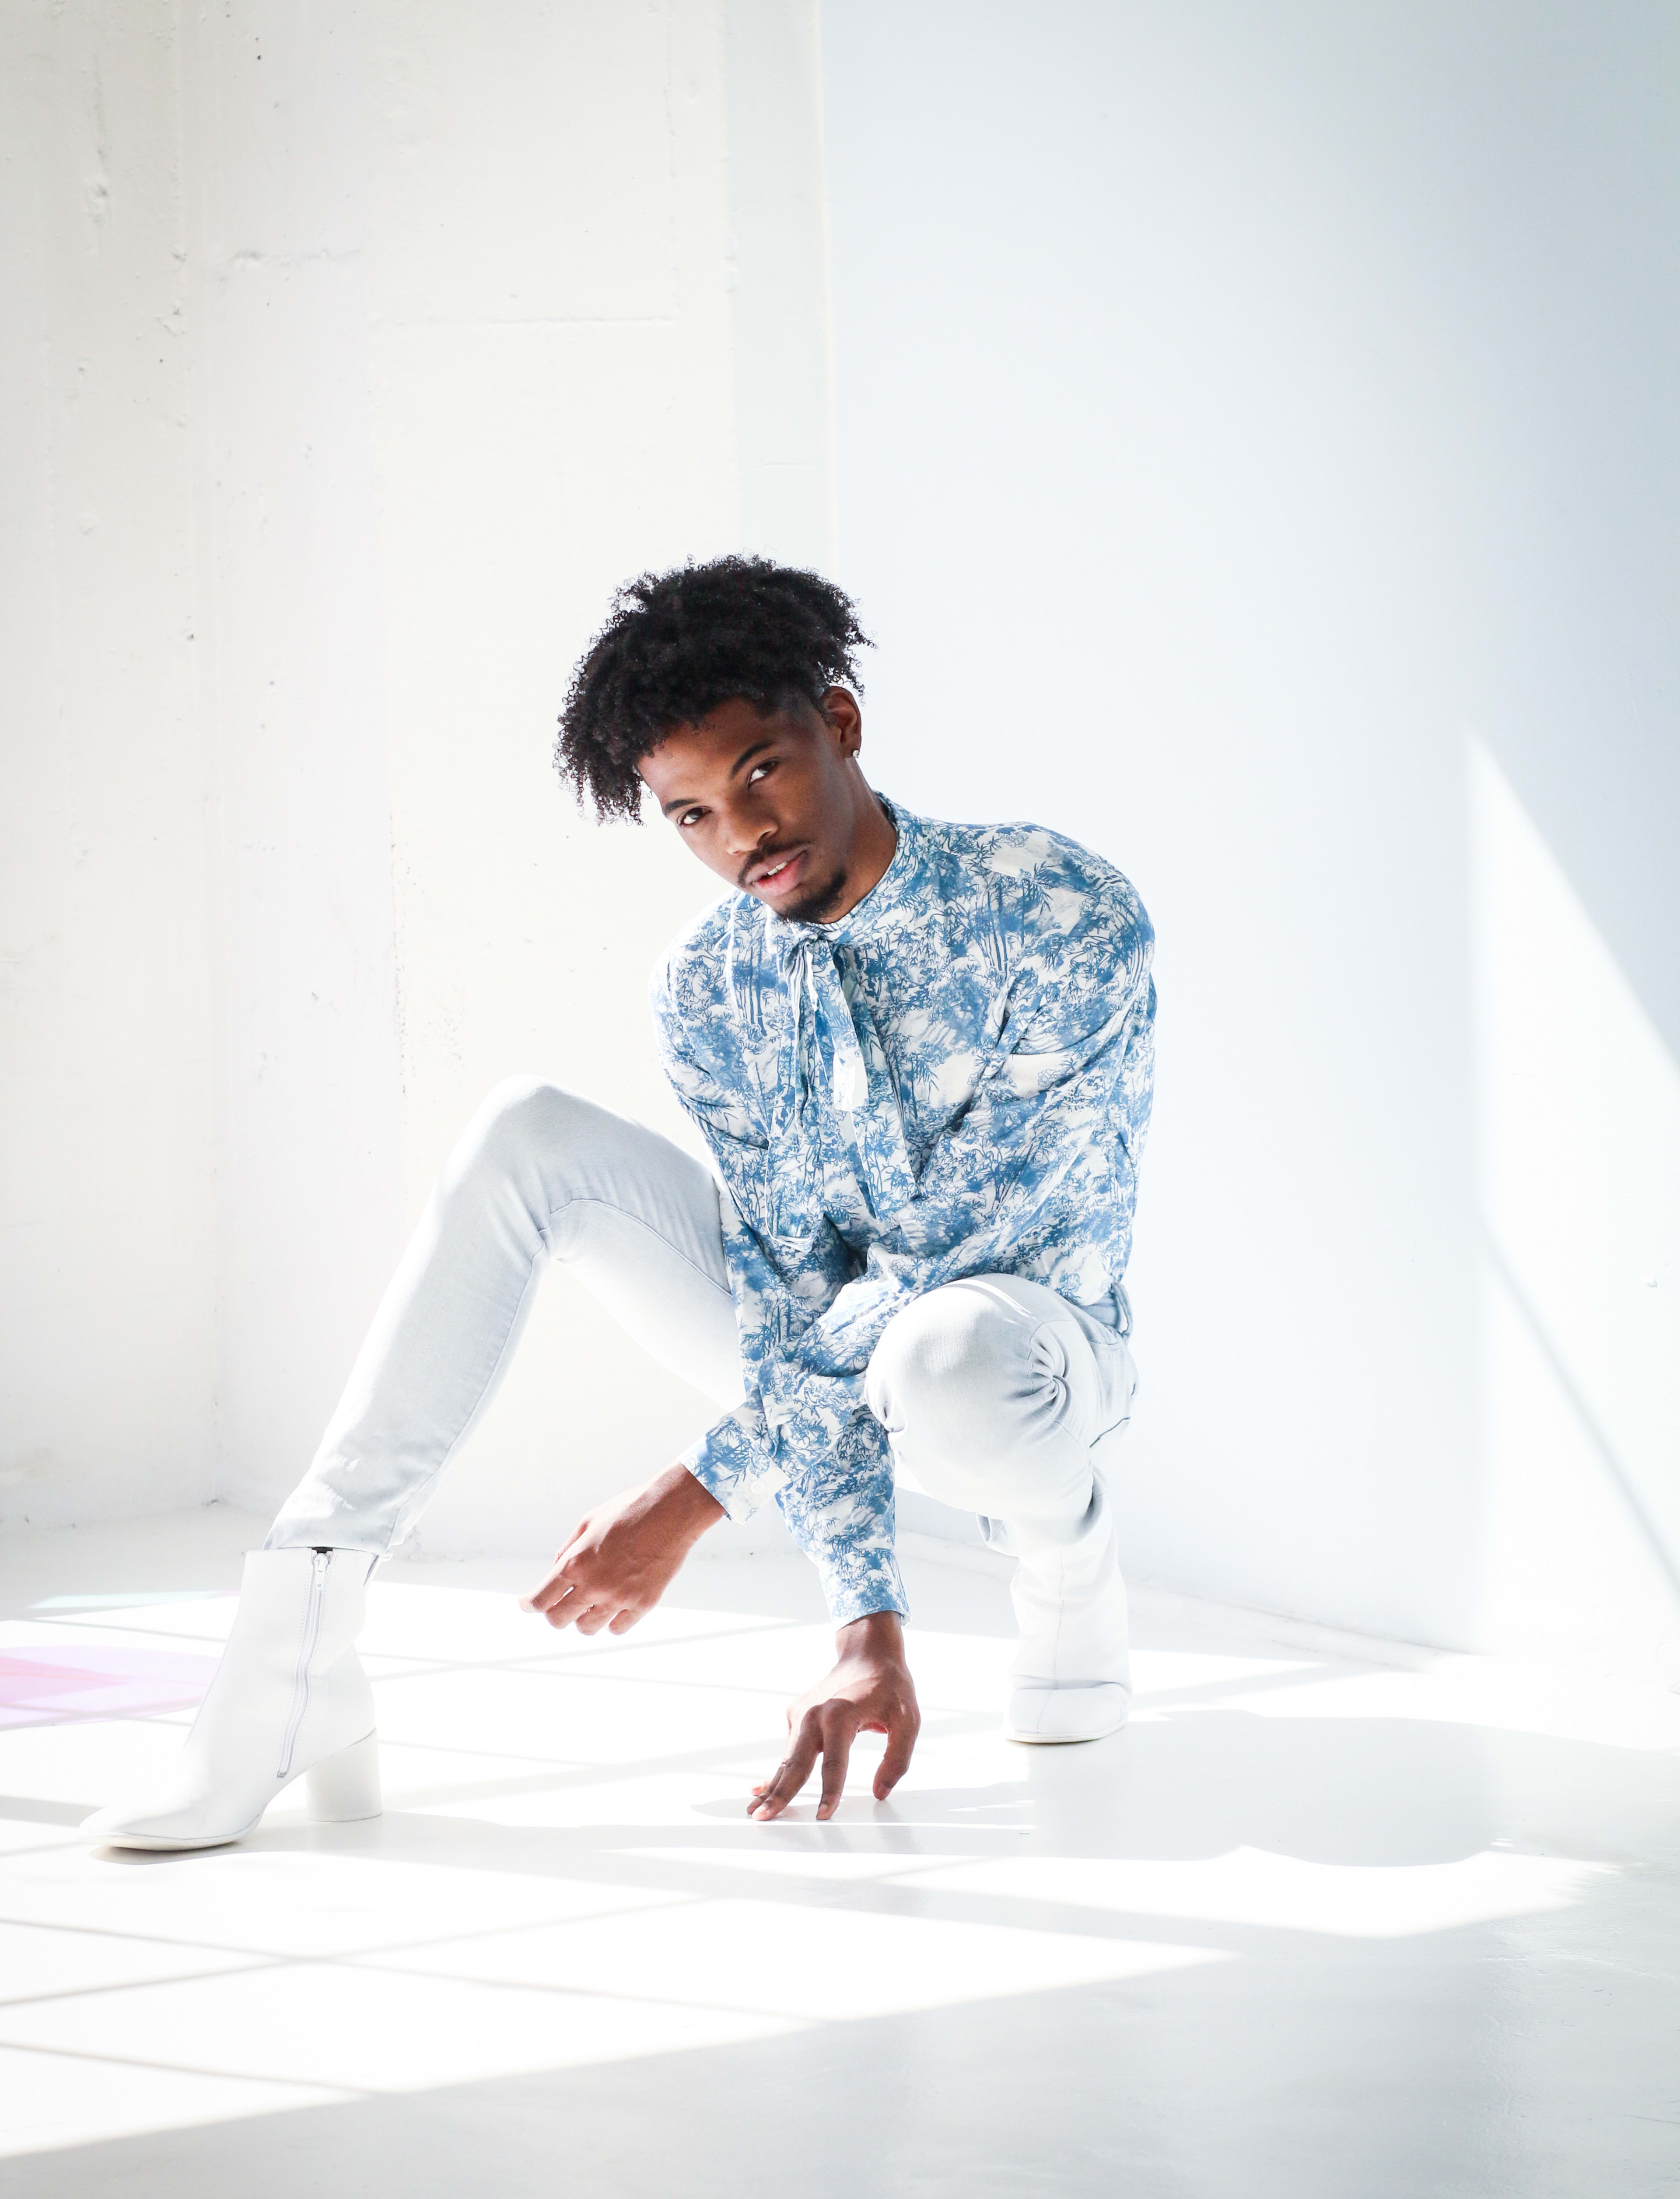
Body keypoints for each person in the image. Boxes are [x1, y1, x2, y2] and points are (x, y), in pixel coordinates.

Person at [87, 558, 1155, 1851]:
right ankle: (297, 1652)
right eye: (693, 815)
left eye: (761, 770)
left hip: (1034, 1355)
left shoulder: (1052, 910)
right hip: (829, 1364)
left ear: (843, 722)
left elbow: (942, 1266)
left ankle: (1066, 1557)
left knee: (947, 1352)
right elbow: (788, 1297)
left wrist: (699, 1491)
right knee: (526, 1133)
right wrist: (862, 1623)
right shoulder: (709, 989)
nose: (742, 837)